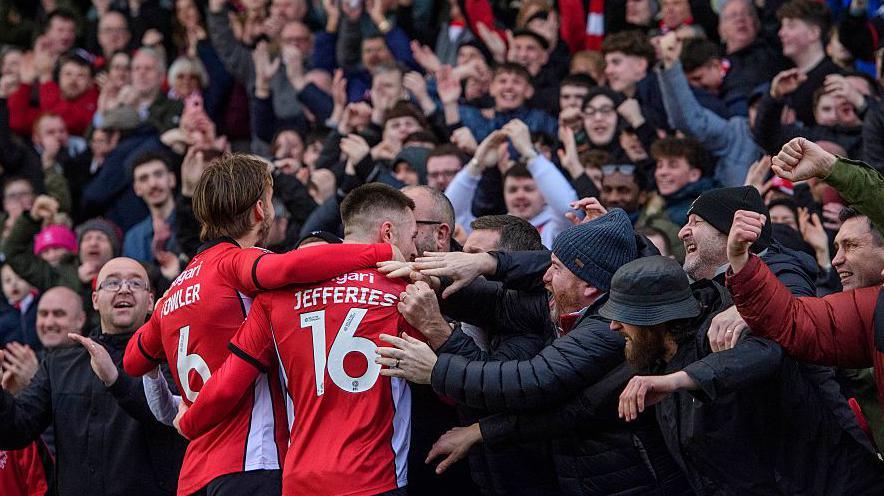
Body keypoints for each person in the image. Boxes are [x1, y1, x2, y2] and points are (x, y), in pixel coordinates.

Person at [123, 154, 399, 495]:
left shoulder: (178, 286)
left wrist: (160, 315)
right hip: (251, 461)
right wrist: (380, 253)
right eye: (269, 201)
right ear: (258, 210)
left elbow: (134, 360)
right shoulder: (234, 262)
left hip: (194, 475)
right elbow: (286, 269)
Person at [377, 210, 692, 495]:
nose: (544, 277)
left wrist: (437, 360)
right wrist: (434, 281)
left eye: (555, 268)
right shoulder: (569, 301)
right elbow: (499, 302)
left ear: (590, 287)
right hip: (584, 476)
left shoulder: (610, 329)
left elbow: (532, 382)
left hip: (633, 483)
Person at [174, 183, 420, 496]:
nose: (414, 250)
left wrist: (189, 422)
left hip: (301, 479)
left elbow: (228, 382)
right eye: (412, 236)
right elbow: (441, 383)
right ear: (388, 233)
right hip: (374, 478)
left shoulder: (274, 299)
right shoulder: (403, 291)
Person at [608, 255, 884, 494]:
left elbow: (767, 353)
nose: (613, 325)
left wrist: (680, 379)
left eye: (625, 314)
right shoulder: (657, 364)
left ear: (655, 317)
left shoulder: (724, 333)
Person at [0, 260, 186, 495]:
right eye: (112, 282)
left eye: (135, 283)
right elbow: (17, 429)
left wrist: (116, 380)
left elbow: (173, 421)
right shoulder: (59, 365)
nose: (124, 288)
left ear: (150, 301)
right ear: (95, 300)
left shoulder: (172, 357)